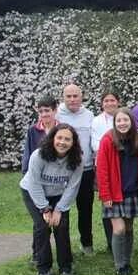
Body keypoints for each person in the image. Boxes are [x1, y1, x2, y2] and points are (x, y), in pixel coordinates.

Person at [19, 123, 83, 275]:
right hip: (33, 192)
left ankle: (66, 268)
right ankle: (43, 269)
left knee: (61, 226)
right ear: (52, 138)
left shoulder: (77, 160)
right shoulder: (38, 155)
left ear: (73, 142)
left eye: (67, 139)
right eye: (59, 138)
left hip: (58, 194)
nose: (62, 142)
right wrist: (45, 209)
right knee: (43, 226)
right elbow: (34, 183)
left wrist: (59, 209)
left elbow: (72, 188)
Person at [96, 109, 138, 275]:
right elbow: (102, 170)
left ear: (131, 122)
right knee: (118, 229)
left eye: (125, 120)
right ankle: (120, 266)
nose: (122, 123)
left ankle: (127, 261)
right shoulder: (107, 140)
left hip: (131, 190)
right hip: (114, 192)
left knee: (129, 227)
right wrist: (105, 195)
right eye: (119, 121)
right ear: (114, 122)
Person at [56, 83, 96, 255]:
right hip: (62, 171)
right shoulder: (57, 115)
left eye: (75, 96)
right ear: (63, 98)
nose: (72, 100)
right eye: (68, 96)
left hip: (85, 170)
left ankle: (86, 244)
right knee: (61, 208)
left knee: (85, 209)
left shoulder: (89, 115)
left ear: (81, 97)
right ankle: (62, 247)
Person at [21, 94, 59, 264]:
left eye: (48, 111)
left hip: (55, 181)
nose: (44, 115)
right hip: (36, 181)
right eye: (41, 111)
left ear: (55, 111)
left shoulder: (62, 130)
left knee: (54, 222)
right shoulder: (33, 131)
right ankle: (37, 255)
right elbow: (28, 154)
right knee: (40, 222)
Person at [91, 88, 121, 252]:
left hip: (120, 166)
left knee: (119, 200)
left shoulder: (123, 117)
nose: (110, 103)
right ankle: (111, 241)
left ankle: (120, 237)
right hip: (102, 165)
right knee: (107, 201)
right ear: (102, 104)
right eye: (106, 101)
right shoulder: (96, 121)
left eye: (112, 100)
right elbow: (95, 144)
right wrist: (110, 146)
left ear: (118, 102)